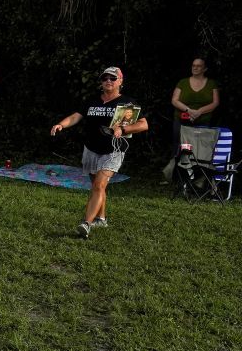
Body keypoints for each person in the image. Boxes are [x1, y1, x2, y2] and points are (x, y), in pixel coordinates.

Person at [50, 66, 148, 239]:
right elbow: (76, 116)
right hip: (91, 149)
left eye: (112, 78)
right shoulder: (92, 101)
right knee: (97, 185)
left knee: (99, 186)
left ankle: (86, 223)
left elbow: (143, 124)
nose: (108, 81)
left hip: (113, 150)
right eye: (105, 78)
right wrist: (61, 124)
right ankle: (101, 218)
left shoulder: (128, 103)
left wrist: (124, 130)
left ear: (120, 81)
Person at [170, 57, 219, 144]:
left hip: (203, 122)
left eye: (199, 66)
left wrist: (199, 111)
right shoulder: (183, 82)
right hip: (182, 121)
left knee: (201, 149)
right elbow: (174, 100)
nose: (195, 68)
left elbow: (215, 102)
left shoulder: (211, 83)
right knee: (179, 149)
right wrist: (189, 110)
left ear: (205, 69)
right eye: (193, 65)